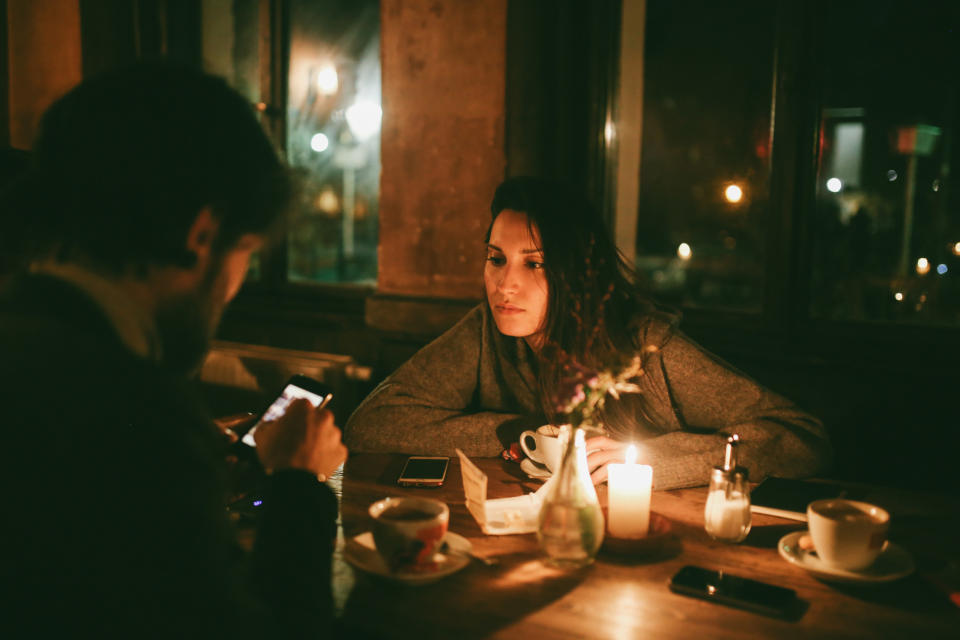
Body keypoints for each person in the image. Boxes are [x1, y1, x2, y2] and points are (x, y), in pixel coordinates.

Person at [0, 63, 346, 637]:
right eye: (245, 253)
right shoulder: (131, 413)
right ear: (202, 235)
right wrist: (297, 485)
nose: (233, 288)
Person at [345, 176, 831, 488]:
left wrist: (653, 461)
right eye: (496, 259)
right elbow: (371, 425)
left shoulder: (647, 348)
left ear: (574, 274)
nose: (505, 284)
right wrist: (520, 433)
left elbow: (801, 439)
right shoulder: (484, 332)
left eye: (534, 263)